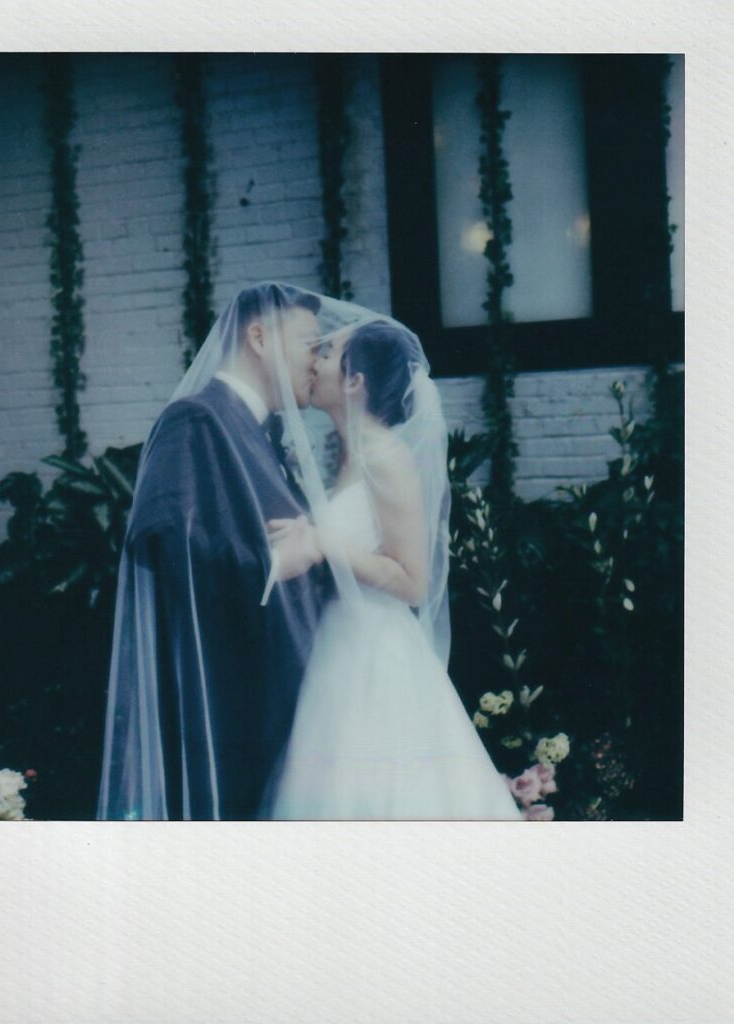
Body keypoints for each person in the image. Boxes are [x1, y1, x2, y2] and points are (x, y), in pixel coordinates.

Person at [264, 317, 521, 819]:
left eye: (327, 354)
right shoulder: (350, 455)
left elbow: (412, 581)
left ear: (355, 381)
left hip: (376, 656)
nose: (313, 362)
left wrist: (323, 543)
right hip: (339, 645)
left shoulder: (387, 457)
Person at [98, 283, 332, 820]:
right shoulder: (196, 420)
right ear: (258, 338)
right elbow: (166, 542)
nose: (316, 361)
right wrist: (278, 563)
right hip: (226, 694)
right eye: (308, 344)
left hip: (272, 684)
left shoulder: (258, 428)